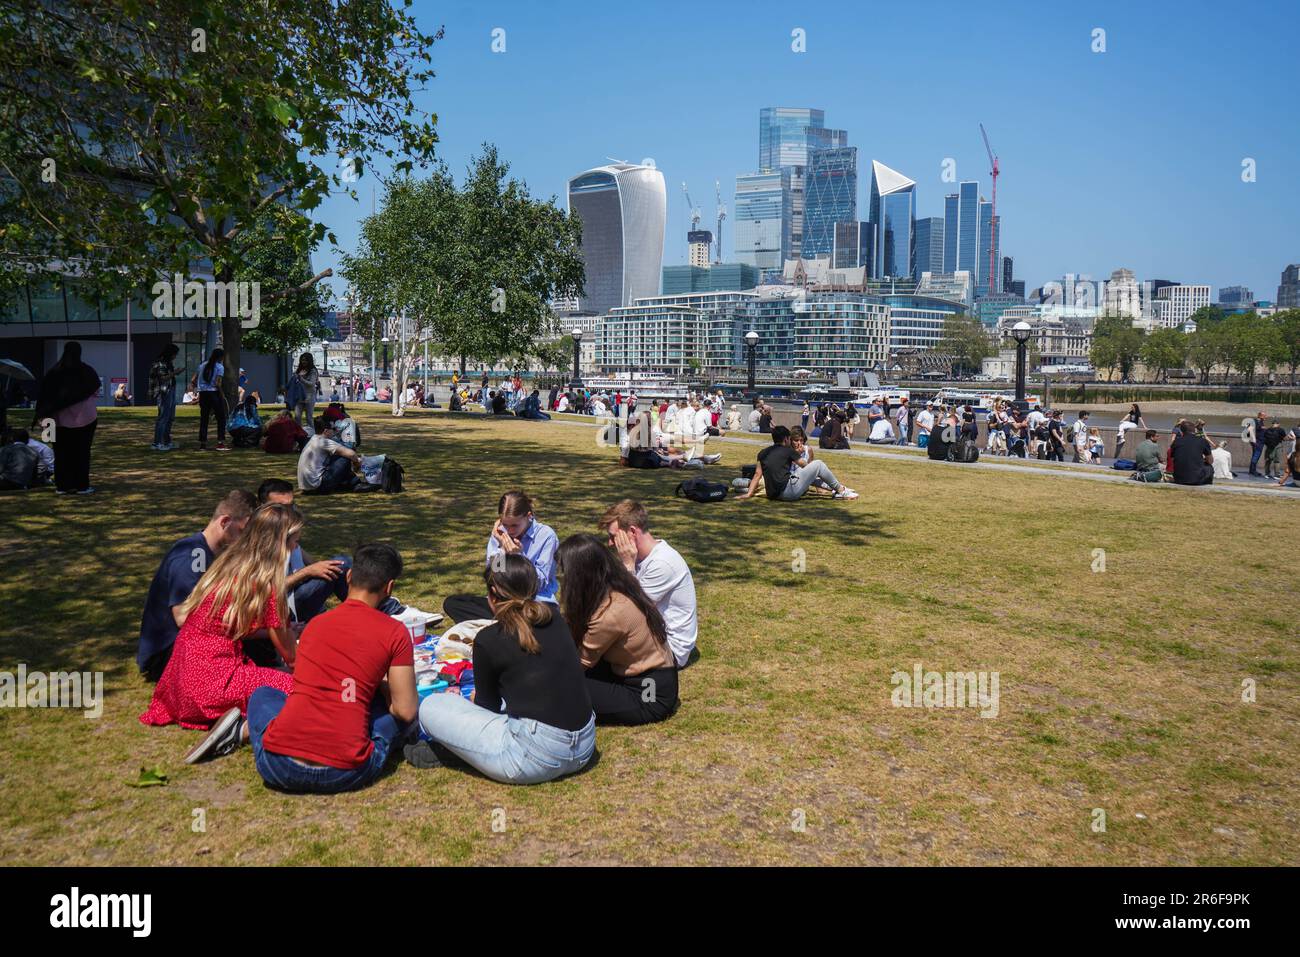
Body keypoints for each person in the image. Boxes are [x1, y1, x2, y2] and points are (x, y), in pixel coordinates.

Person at [242, 543, 417, 793]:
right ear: (389, 588)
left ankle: (256, 735)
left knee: (263, 695)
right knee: (392, 718)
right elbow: (406, 710)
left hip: (280, 766)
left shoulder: (315, 625)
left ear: (348, 577)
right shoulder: (395, 632)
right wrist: (381, 685)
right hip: (345, 771)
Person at [410, 553, 596, 781]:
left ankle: (458, 752)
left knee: (432, 705)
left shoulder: (488, 639)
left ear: (493, 596)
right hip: (585, 746)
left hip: (532, 757)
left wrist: (466, 701)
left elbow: (486, 707)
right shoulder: (556, 618)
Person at [140, 504, 303, 761]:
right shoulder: (266, 583)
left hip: (179, 681)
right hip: (212, 679)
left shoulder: (229, 563)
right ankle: (240, 731)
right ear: (279, 543)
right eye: (294, 541)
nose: (295, 548)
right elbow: (292, 657)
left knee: (274, 676)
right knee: (303, 689)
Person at [556, 534, 679, 725]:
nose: (562, 580)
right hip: (641, 676)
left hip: (650, 693)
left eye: (565, 573)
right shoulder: (617, 586)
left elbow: (578, 664)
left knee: (562, 687)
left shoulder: (610, 613)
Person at [136, 490, 258, 681]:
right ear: (225, 522)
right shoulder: (192, 555)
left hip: (189, 643)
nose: (244, 540)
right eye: (242, 532)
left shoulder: (212, 554)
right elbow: (184, 617)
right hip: (168, 652)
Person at [601, 500, 699, 669]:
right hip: (649, 635)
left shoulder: (662, 563)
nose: (610, 543)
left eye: (613, 536)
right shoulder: (638, 556)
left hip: (669, 651)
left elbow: (628, 611)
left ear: (631, 532)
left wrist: (628, 568)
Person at [443, 491, 560, 623]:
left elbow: (540, 583)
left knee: (539, 615)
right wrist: (501, 550)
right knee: (453, 603)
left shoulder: (546, 536)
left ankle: (503, 624)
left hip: (535, 602)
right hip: (504, 601)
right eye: (505, 524)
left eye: (515, 525)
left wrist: (518, 558)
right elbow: (492, 577)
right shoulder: (500, 534)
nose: (510, 531)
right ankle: (507, 623)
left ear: (529, 516)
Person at [34, 340, 101, 492]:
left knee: (61, 453)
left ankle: (63, 485)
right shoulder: (87, 371)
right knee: (82, 452)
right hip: (85, 418)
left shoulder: (54, 372)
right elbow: (95, 389)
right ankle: (82, 485)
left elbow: (44, 396)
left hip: (57, 421)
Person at [738, 426, 858, 502]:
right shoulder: (788, 450)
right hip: (788, 493)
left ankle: (838, 489)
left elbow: (757, 475)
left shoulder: (763, 453)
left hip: (772, 495)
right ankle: (841, 490)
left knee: (813, 469)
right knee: (819, 464)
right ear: (786, 439)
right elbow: (807, 467)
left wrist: (749, 494)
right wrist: (799, 454)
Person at [297, 417, 361, 493]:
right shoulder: (323, 441)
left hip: (306, 487)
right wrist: (357, 464)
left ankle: (349, 482)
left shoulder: (313, 439)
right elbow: (351, 454)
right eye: (333, 429)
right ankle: (355, 483)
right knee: (345, 457)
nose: (335, 431)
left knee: (337, 455)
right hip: (318, 486)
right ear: (326, 431)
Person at [192, 347, 230, 452]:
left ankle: (203, 444)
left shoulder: (202, 365)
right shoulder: (219, 367)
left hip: (203, 394)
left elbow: (193, 380)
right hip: (214, 393)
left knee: (204, 418)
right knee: (221, 418)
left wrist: (199, 386)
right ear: (220, 357)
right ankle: (221, 442)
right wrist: (222, 395)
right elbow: (218, 383)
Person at [148, 343, 181, 451]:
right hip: (164, 392)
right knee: (163, 417)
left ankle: (166, 441)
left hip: (170, 390)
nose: (175, 357)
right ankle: (157, 443)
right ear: (170, 354)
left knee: (170, 417)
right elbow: (163, 378)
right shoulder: (160, 363)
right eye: (175, 354)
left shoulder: (167, 363)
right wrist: (175, 372)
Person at [1170, 422, 1214, 486]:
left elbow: (1173, 458)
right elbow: (1210, 461)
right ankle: (1207, 483)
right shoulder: (1202, 441)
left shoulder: (1176, 442)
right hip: (1197, 479)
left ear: (1181, 431)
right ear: (1194, 430)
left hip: (1178, 479)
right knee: (1209, 468)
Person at [288, 353, 321, 433]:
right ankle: (298, 434)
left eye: (305, 360)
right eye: (302, 360)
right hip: (299, 396)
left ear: (309, 361)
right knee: (297, 417)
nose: (303, 362)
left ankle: (312, 434)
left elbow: (312, 384)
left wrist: (301, 379)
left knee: (309, 417)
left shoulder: (313, 371)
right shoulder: (299, 370)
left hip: (309, 396)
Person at [1247, 409, 1266, 476]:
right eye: (1264, 416)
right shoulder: (1255, 421)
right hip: (1257, 442)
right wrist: (1253, 441)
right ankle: (1252, 471)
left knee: (1255, 456)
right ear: (1260, 416)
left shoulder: (1260, 422)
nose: (1265, 417)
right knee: (1256, 456)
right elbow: (1249, 431)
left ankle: (1252, 470)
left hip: (1259, 442)